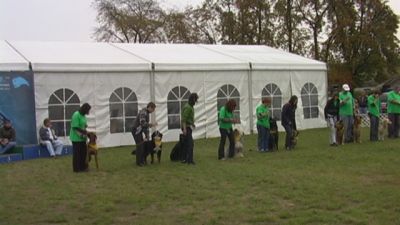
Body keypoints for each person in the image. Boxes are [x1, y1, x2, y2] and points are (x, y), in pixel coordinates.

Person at [132, 102, 157, 166]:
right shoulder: (144, 112)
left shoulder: (147, 113)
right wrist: (151, 124)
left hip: (139, 130)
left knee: (141, 145)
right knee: (139, 146)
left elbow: (145, 127)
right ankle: (139, 162)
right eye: (153, 109)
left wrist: (147, 135)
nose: (153, 111)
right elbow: (142, 123)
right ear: (150, 107)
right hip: (136, 130)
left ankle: (141, 161)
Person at [70, 103, 91, 172]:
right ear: (85, 109)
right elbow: (75, 127)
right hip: (76, 137)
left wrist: (85, 128)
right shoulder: (76, 115)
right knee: (77, 154)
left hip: (82, 138)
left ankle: (83, 167)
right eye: (88, 110)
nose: (88, 112)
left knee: (83, 153)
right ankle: (76, 169)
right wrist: (84, 132)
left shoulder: (83, 115)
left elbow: (84, 125)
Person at [181, 93, 199, 165]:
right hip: (186, 127)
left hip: (189, 126)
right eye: (196, 99)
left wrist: (192, 123)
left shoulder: (190, 107)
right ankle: (190, 160)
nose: (196, 101)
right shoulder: (188, 107)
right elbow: (184, 119)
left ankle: (184, 159)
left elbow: (188, 118)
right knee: (190, 144)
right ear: (193, 99)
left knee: (186, 144)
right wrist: (184, 129)